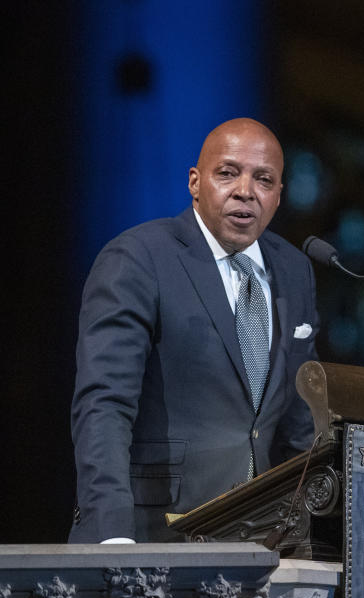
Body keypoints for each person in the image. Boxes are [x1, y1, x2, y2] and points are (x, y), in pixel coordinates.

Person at [69, 118, 319, 543]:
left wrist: (317, 531)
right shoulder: (139, 257)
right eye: (227, 173)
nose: (245, 190)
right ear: (195, 182)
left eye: (264, 179)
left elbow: (300, 424)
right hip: (154, 534)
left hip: (263, 543)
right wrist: (110, 533)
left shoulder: (294, 270)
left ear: (279, 196)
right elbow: (104, 406)